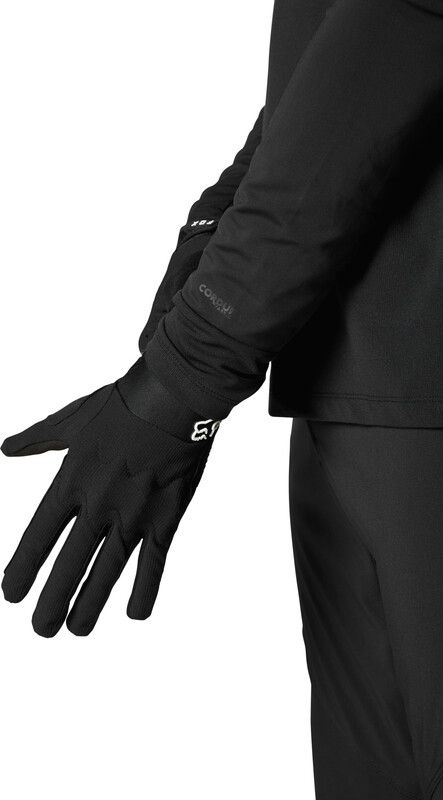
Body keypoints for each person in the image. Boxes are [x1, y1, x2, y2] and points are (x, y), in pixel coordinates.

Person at [2, 0, 443, 797]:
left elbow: (395, 33)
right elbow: (332, 72)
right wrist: (205, 254)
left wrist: (189, 369)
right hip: (351, 385)